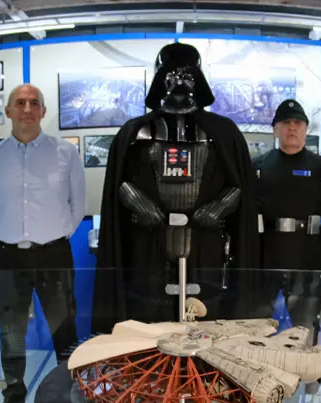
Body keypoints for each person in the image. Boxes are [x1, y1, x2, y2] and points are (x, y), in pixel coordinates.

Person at [93, 43, 259, 329]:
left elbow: (240, 185)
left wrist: (218, 208)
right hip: (148, 244)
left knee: (205, 321)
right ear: (159, 78)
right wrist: (138, 203)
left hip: (206, 244)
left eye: (187, 75)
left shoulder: (223, 132)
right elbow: (118, 184)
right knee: (148, 321)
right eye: (171, 76)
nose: (179, 82)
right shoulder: (135, 132)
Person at [0, 84, 85, 403]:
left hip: (54, 254)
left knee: (63, 328)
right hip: (9, 257)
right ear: (8, 111)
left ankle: (70, 395)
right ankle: (13, 400)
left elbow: (77, 205)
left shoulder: (66, 154)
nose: (27, 108)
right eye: (19, 103)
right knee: (11, 332)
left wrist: (51, 237)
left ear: (43, 111)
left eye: (34, 103)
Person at [252, 99, 321, 344]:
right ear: (275, 129)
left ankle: (307, 381)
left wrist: (317, 243)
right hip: (264, 259)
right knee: (254, 329)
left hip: (305, 262)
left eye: (298, 123)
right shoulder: (257, 166)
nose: (292, 128)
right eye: (285, 122)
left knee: (304, 332)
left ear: (306, 129)